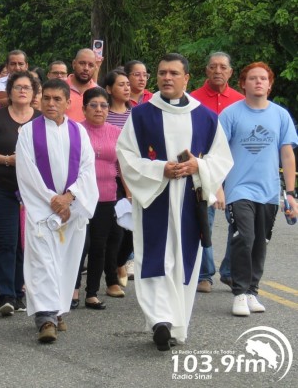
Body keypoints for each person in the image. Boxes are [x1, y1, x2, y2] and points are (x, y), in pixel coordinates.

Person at [116, 53, 233, 351]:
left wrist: (199, 168)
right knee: (155, 258)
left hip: (189, 201)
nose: (166, 78)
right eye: (162, 72)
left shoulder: (205, 116)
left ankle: (175, 323)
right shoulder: (141, 114)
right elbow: (126, 155)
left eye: (173, 73)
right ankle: (159, 321)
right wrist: (159, 170)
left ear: (186, 78)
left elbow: (222, 158)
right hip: (155, 195)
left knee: (182, 261)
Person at [16, 79, 98, 343]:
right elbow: (27, 173)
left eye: (57, 99)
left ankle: (59, 309)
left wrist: (69, 198)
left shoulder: (79, 132)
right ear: (38, 100)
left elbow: (87, 169)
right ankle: (46, 318)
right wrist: (53, 200)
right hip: (42, 210)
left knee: (65, 263)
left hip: (70, 210)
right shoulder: (27, 132)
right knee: (42, 264)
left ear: (68, 102)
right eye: (46, 98)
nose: (51, 104)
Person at [219, 62, 298, 317]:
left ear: (270, 83)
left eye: (263, 78)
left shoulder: (280, 115)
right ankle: (240, 293)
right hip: (239, 188)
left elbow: (287, 155)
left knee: (260, 242)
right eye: (253, 78)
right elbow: (217, 153)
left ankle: (253, 291)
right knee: (244, 237)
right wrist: (218, 187)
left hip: (268, 190)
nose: (258, 82)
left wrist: (291, 193)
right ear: (243, 83)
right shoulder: (231, 114)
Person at [0, 71, 41, 316]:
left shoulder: (40, 120)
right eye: (17, 87)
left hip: (33, 192)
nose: (22, 91)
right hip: (2, 187)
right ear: (9, 92)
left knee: (25, 244)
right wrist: (8, 160)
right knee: (8, 241)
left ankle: (20, 292)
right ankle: (6, 295)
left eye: (27, 87)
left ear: (33, 93)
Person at [190, 52, 244, 293]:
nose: (218, 71)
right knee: (205, 221)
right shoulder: (193, 99)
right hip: (204, 168)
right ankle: (204, 273)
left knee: (240, 222)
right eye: (213, 67)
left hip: (235, 170)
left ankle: (230, 270)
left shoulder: (241, 100)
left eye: (223, 67)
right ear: (206, 70)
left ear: (231, 72)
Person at [73, 87, 127, 309]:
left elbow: (122, 166)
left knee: (99, 245)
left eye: (103, 105)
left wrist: (130, 194)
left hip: (107, 196)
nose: (99, 109)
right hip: (79, 197)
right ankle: (73, 290)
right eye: (93, 105)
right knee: (79, 245)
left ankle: (92, 293)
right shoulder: (75, 130)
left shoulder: (116, 132)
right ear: (84, 109)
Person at [66, 48, 100, 122]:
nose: (86, 68)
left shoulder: (98, 92)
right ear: (74, 64)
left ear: (95, 68)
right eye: (82, 63)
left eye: (91, 65)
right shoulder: (60, 88)